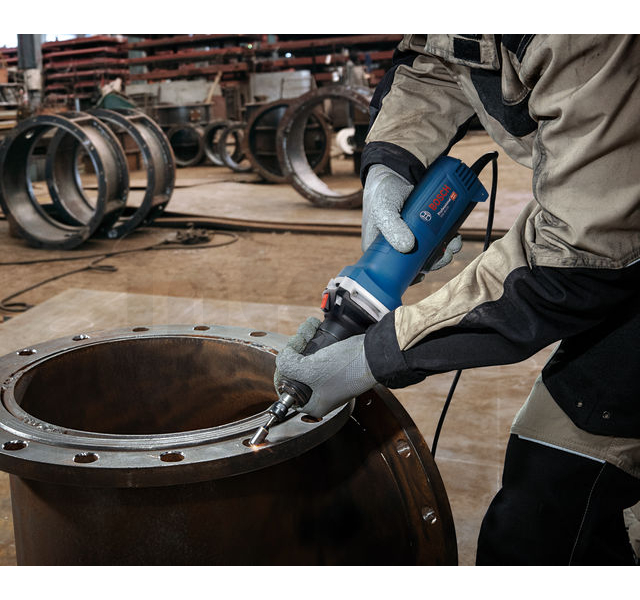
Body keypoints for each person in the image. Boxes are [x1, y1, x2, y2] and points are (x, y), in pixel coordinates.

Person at [274, 34, 640, 565]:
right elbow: (434, 62)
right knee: (555, 495)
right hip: (611, 243)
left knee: (545, 514)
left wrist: (376, 353)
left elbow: (581, 252)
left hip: (609, 250)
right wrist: (391, 163)